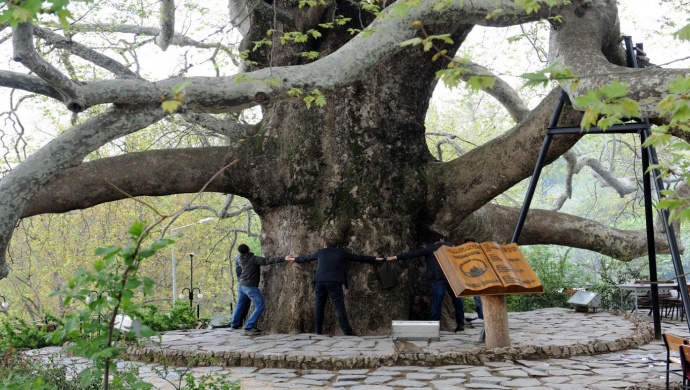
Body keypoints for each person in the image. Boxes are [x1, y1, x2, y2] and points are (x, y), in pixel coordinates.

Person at [288, 240, 383, 336]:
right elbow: (358, 258)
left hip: (319, 281)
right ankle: (346, 330)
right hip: (334, 282)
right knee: (339, 306)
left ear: (325, 245)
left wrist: (295, 259)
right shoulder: (341, 252)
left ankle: (318, 330)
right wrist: (374, 258)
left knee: (319, 306)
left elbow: (307, 258)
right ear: (336, 246)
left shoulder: (320, 252)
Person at [386, 237, 466, 332]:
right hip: (453, 278)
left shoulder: (432, 248)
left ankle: (434, 326)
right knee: (458, 302)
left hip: (439, 278)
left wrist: (395, 257)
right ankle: (460, 324)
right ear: (442, 239)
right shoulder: (452, 247)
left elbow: (413, 254)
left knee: (437, 303)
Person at [230, 243, 289, 334]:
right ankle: (249, 325)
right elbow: (267, 260)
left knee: (240, 304)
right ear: (248, 249)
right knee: (260, 305)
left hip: (241, 285)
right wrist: (284, 258)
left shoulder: (239, 258)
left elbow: (238, 270)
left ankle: (234, 324)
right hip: (250, 286)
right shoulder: (253, 259)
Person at [462, 236, 484, 324]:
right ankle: (480, 316)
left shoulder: (478, 252)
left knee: (478, 297)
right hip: (468, 276)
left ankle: (481, 317)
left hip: (479, 277)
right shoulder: (464, 254)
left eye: (471, 244)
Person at [231, 253, 251, 329]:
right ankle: (239, 322)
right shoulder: (244, 260)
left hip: (241, 283)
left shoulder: (238, 259)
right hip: (246, 283)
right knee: (245, 304)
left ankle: (236, 323)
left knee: (241, 304)